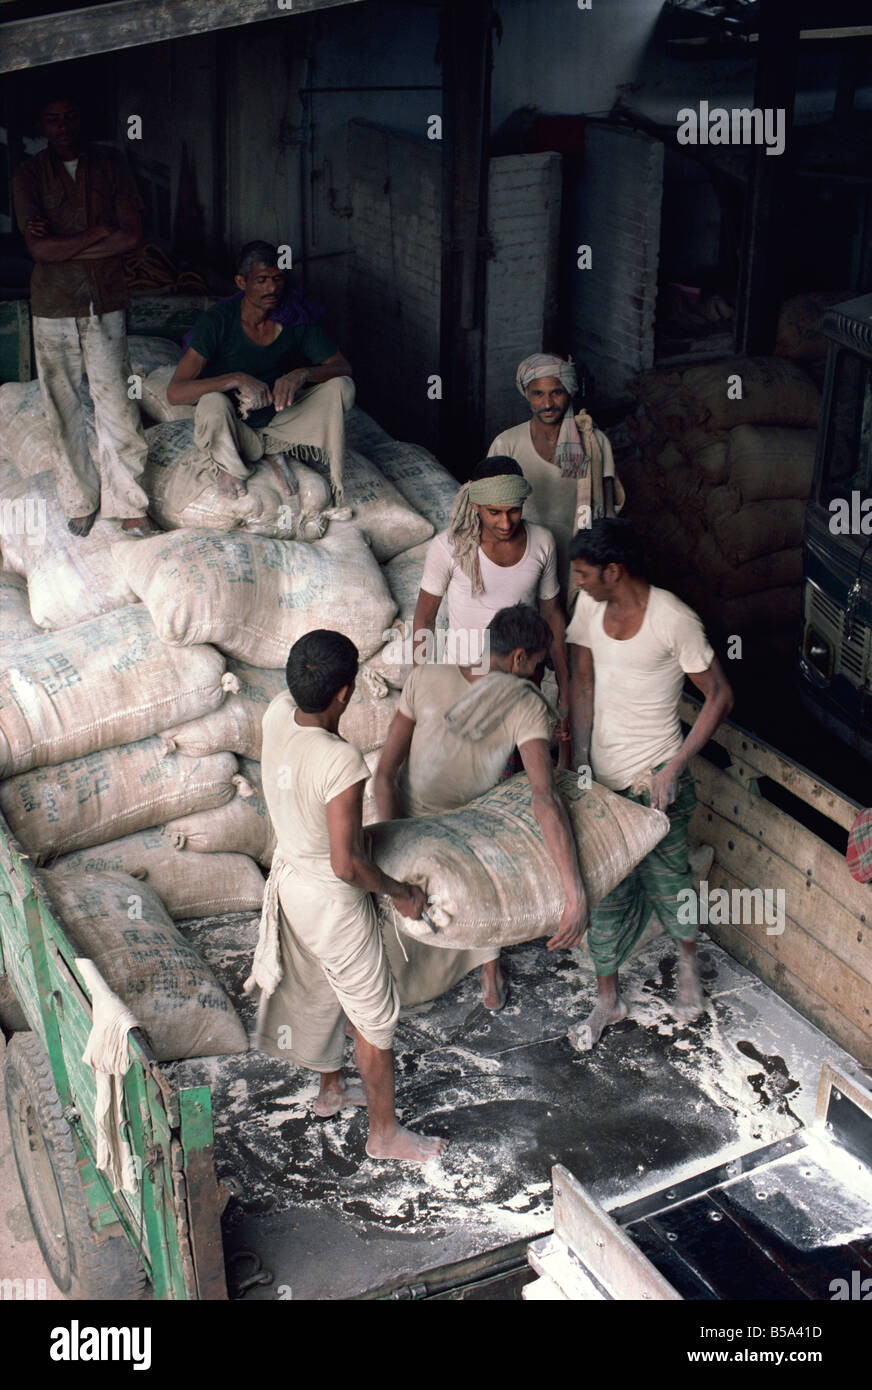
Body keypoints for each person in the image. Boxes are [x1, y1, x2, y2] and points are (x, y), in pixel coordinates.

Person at [247, 629, 442, 1163]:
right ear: (345, 692)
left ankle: (332, 1089)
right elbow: (348, 863)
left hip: (291, 888)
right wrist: (401, 891)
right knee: (376, 1019)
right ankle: (384, 1135)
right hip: (332, 904)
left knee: (327, 988)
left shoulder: (277, 713)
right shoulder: (339, 761)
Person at [566, 518, 733, 1050]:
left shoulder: (673, 619)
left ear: (614, 571)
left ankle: (688, 965)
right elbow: (584, 682)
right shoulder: (589, 608)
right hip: (607, 786)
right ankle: (607, 998)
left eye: (584, 574)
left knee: (669, 882)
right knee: (606, 894)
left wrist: (675, 767)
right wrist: (580, 762)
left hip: (655, 781)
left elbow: (720, 697)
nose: (577, 584)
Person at [374, 603, 588, 1011]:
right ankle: (489, 971)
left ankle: (395, 992)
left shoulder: (426, 675)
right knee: (496, 870)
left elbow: (384, 775)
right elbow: (545, 797)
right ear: (520, 658)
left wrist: (394, 842)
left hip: (411, 826)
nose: (538, 676)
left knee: (391, 931)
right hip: (465, 840)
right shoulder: (526, 704)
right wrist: (574, 894)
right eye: (538, 666)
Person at [12, 94, 155, 538]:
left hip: (105, 301)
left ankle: (130, 503)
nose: (62, 126)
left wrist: (64, 244)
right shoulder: (28, 174)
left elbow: (131, 237)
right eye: (52, 119)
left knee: (117, 405)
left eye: (69, 116)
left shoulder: (111, 164)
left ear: (81, 119)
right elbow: (39, 250)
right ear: (42, 125)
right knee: (62, 407)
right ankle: (79, 500)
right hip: (53, 306)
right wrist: (96, 232)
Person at [167, 240, 353, 502]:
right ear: (242, 283)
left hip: (281, 422)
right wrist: (236, 379)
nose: (272, 288)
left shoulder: (292, 315)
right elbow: (175, 392)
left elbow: (343, 367)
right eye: (262, 280)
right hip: (235, 425)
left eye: (278, 279)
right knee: (211, 403)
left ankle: (274, 451)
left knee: (342, 387)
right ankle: (231, 463)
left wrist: (301, 374)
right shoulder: (219, 320)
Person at [411, 456, 571, 744]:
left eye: (514, 511)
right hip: (463, 682)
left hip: (522, 679)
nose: (505, 522)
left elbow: (553, 616)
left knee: (519, 767)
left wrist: (564, 683)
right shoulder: (449, 547)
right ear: (475, 505)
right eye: (494, 512)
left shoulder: (542, 541)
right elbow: (424, 618)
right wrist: (418, 684)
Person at [487, 353, 625, 597]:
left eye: (556, 392)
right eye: (538, 393)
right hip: (525, 555)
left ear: (569, 392)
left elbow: (607, 513)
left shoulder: (594, 442)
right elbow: (490, 512)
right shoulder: (506, 444)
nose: (548, 403)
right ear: (526, 394)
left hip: (579, 556)